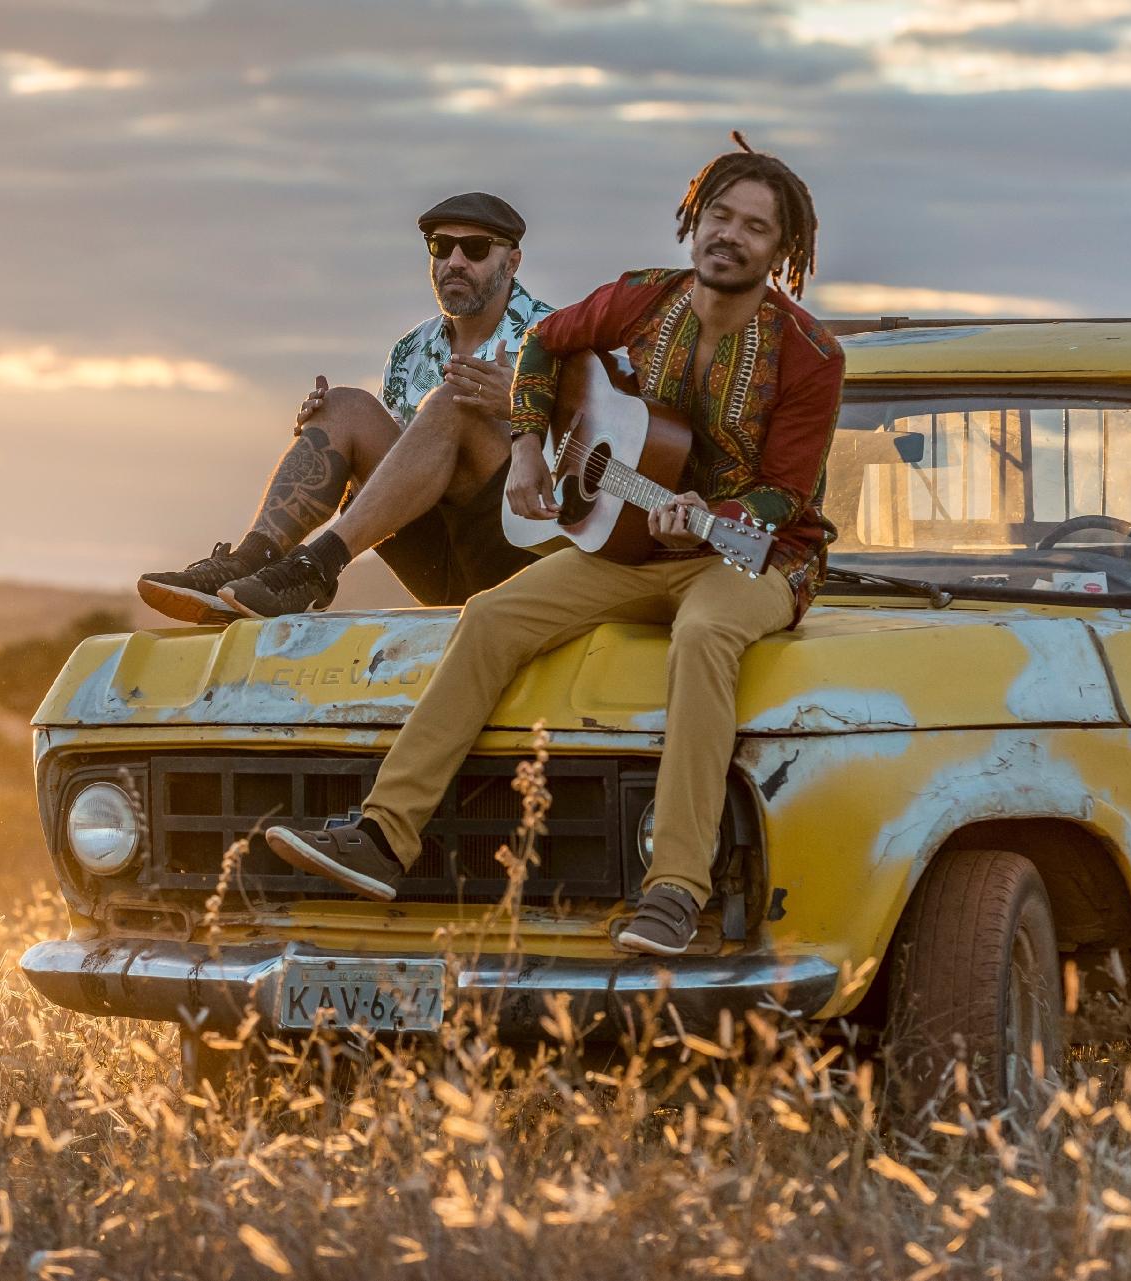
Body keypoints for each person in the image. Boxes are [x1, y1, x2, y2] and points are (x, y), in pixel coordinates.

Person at [264, 135, 844, 957]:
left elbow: (786, 489)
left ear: (781, 250)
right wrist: (530, 443)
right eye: (719, 214)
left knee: (707, 633)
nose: (730, 234)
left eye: (755, 227)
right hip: (635, 543)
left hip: (755, 556)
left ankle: (676, 887)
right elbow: (543, 345)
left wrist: (711, 511)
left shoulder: (814, 355)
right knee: (494, 614)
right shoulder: (644, 297)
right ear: (694, 219)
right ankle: (384, 834)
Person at [136, 192, 551, 623]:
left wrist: (521, 407)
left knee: (453, 399)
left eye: (476, 248)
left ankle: (316, 567)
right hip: (438, 562)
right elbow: (404, 465)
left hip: (521, 553)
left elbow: (600, 460)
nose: (456, 261)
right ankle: (245, 566)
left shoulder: (556, 339)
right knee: (345, 406)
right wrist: (329, 434)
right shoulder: (412, 349)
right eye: (441, 247)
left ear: (513, 261)